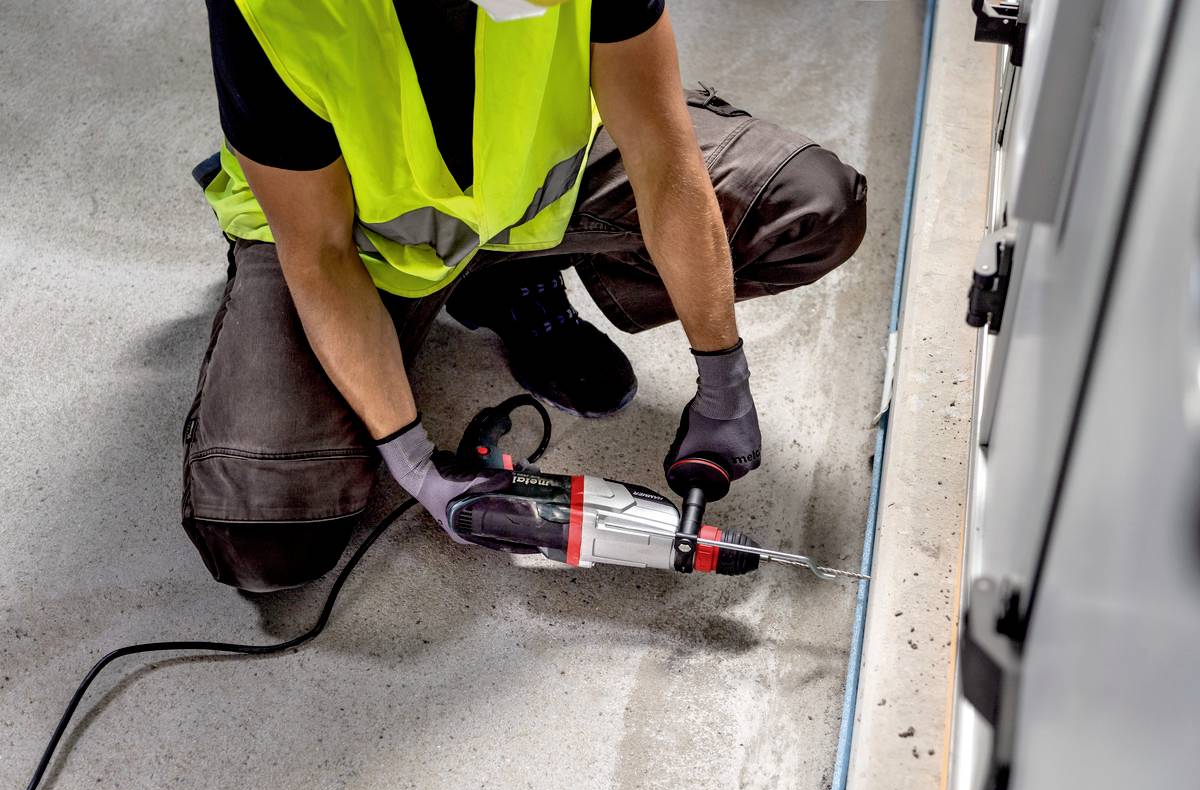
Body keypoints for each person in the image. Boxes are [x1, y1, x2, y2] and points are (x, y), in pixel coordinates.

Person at [183, 0, 868, 592]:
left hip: (529, 192)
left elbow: (662, 157)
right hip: (355, 241)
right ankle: (450, 293)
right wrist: (415, 463)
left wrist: (723, 374)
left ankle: (505, 273)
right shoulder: (274, 11)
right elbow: (321, 256)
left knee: (808, 208)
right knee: (262, 536)